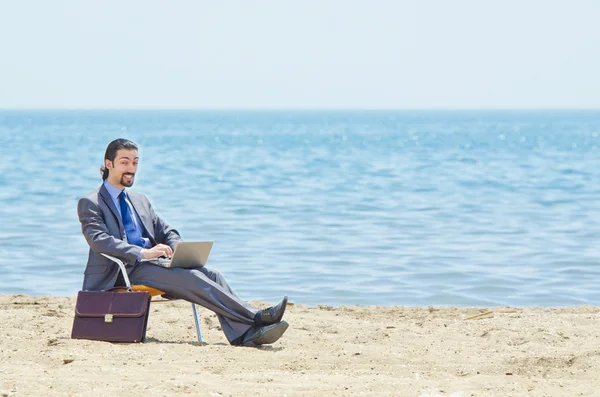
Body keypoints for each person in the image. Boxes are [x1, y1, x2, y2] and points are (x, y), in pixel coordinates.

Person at [77, 138, 289, 347]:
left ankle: (244, 335)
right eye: (124, 162)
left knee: (212, 274)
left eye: (135, 162)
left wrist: (176, 249)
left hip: (153, 265)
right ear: (108, 164)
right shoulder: (91, 202)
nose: (131, 168)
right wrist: (143, 253)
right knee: (190, 276)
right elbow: (99, 241)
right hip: (122, 270)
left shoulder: (140, 200)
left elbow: (166, 230)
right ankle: (256, 317)